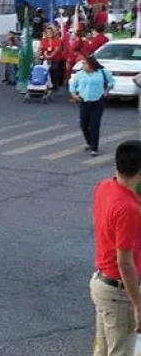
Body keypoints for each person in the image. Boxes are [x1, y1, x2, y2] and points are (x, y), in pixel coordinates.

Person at [90, 140, 141, 355]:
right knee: (120, 351)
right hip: (118, 293)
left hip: (101, 283)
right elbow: (125, 263)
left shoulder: (104, 187)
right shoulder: (128, 209)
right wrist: (138, 304)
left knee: (103, 349)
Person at [69, 55, 115, 156]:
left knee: (95, 125)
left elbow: (111, 82)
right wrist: (74, 94)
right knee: (84, 124)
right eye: (83, 63)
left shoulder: (101, 72)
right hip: (84, 101)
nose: (83, 65)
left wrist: (106, 91)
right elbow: (72, 85)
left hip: (98, 101)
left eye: (85, 63)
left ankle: (94, 147)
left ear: (91, 64)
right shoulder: (80, 74)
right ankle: (89, 142)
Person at [39, 25, 65, 90]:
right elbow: (41, 48)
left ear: (53, 33)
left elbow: (56, 50)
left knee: (54, 70)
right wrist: (39, 54)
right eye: (47, 32)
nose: (49, 34)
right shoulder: (43, 40)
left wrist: (50, 56)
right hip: (46, 58)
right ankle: (47, 84)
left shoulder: (57, 39)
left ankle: (55, 85)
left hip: (56, 58)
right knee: (45, 71)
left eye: (50, 32)